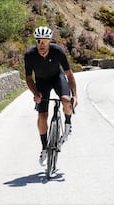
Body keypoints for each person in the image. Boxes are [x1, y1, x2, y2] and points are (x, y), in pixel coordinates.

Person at [24, 26, 78, 166]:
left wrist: (75, 96)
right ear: (36, 41)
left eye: (45, 41)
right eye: (39, 41)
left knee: (66, 100)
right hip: (41, 83)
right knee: (42, 116)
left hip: (57, 78)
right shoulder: (30, 54)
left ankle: (67, 123)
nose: (42, 45)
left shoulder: (58, 51)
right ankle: (44, 148)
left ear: (49, 41)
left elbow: (69, 75)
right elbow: (29, 78)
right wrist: (36, 94)